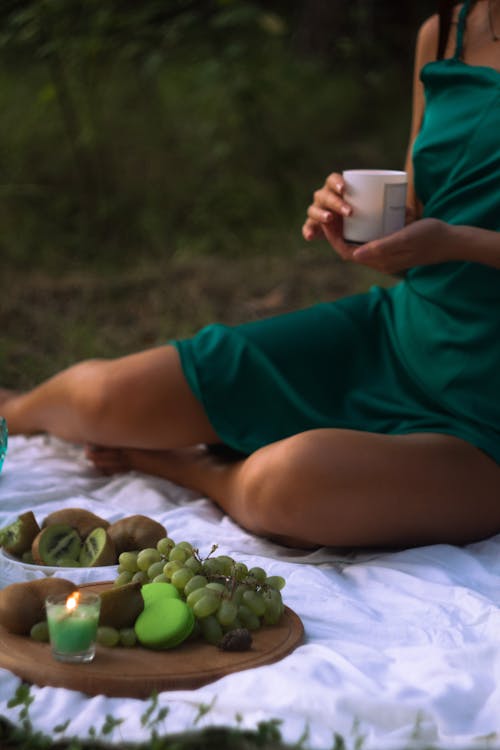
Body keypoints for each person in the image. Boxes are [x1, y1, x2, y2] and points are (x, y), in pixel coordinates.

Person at [1, 0, 499, 550]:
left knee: (282, 484)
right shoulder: (447, 31)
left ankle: (199, 470)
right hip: (403, 334)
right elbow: (424, 204)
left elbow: (452, 234)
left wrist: (458, 243)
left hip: (486, 415)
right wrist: (360, 219)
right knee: (107, 400)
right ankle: (14, 409)